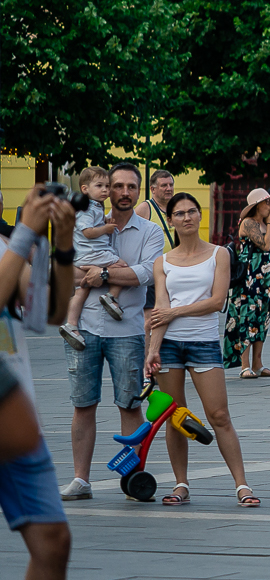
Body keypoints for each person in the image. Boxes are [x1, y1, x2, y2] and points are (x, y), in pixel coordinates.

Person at [142, 191, 258, 507]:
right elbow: (161, 309)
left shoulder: (219, 254)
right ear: (170, 220)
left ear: (200, 215)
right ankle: (181, 484)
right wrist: (153, 349)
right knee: (175, 416)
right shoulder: (162, 261)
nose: (187, 217)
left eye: (192, 211)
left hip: (204, 343)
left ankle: (242, 485)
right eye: (179, 213)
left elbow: (217, 301)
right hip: (169, 345)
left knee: (219, 415)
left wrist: (175, 312)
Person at [64, 161, 161, 503]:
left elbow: (145, 273)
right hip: (85, 328)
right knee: (83, 405)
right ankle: (81, 479)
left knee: (129, 404)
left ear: (139, 191)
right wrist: (103, 274)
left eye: (130, 187)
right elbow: (67, 271)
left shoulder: (150, 231)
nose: (122, 192)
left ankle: (132, 479)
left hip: (127, 329)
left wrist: (101, 275)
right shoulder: (85, 223)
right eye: (116, 185)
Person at [2, 183, 74, 579]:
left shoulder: (3, 247)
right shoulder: (12, 245)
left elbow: (51, 311)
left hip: (13, 413)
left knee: (53, 541)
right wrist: (25, 234)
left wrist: (63, 245)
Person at [55, 167, 113, 350]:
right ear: (85, 189)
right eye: (99, 186)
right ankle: (111, 297)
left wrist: (104, 222)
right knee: (121, 265)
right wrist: (105, 229)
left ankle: (71, 324)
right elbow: (87, 232)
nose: (105, 190)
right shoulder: (88, 208)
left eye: (107, 186)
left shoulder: (96, 206)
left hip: (84, 255)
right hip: (92, 254)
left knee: (82, 290)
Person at [225, 188, 270, 379]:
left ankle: (258, 363)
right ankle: (245, 365)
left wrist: (269, 224)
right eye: (267, 203)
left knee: (262, 318)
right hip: (250, 277)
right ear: (257, 205)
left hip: (266, 278)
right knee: (246, 317)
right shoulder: (248, 223)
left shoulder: (263, 223)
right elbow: (264, 245)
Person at [144, 169, 178, 247]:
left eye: (171, 185)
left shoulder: (177, 207)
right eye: (164, 185)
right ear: (152, 189)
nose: (169, 189)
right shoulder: (145, 208)